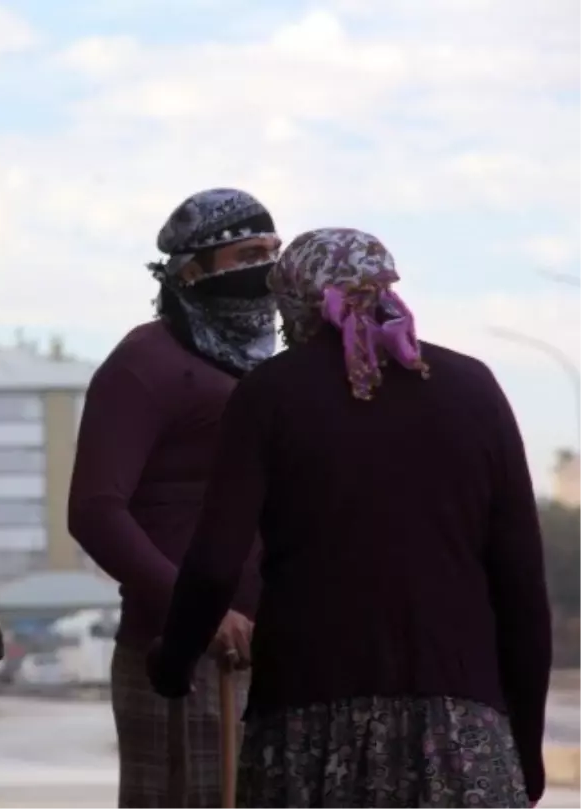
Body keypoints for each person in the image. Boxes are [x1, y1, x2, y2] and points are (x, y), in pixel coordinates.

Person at [150, 227, 551, 808]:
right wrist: (525, 746)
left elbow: (215, 565)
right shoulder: (474, 387)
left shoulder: (269, 394)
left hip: (309, 723)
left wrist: (173, 661)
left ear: (292, 301)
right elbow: (520, 590)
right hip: (461, 728)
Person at [69, 188, 280, 808]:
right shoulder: (143, 365)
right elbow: (94, 511)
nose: (266, 268)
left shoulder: (268, 365)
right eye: (247, 253)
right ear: (191, 271)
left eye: (273, 250)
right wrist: (199, 614)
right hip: (182, 659)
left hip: (274, 659)